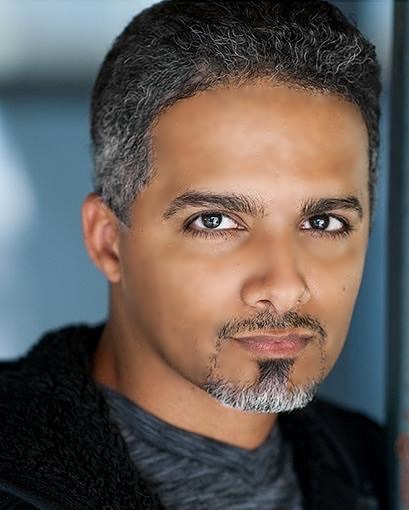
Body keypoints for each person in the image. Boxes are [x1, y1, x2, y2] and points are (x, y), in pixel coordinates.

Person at [0, 1, 387, 508]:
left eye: (323, 223)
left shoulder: (382, 474)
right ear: (107, 240)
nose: (284, 286)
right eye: (214, 221)